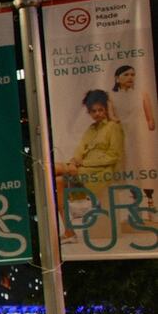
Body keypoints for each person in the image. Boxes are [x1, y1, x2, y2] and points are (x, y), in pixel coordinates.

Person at [54, 89, 126, 241]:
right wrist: (74, 162)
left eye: (101, 110)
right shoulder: (91, 129)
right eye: (93, 111)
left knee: (53, 168)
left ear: (106, 109)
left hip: (102, 171)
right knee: (58, 181)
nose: (98, 114)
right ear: (89, 112)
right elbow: (80, 148)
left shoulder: (113, 127)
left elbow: (114, 156)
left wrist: (80, 163)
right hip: (83, 170)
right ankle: (69, 232)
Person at [109, 64, 158, 211]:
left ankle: (150, 201)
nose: (130, 77)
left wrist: (149, 129)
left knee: (144, 164)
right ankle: (133, 203)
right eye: (126, 75)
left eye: (132, 75)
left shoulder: (141, 93)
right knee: (128, 166)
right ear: (117, 78)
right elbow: (111, 115)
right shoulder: (111, 96)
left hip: (141, 136)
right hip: (123, 136)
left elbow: (150, 118)